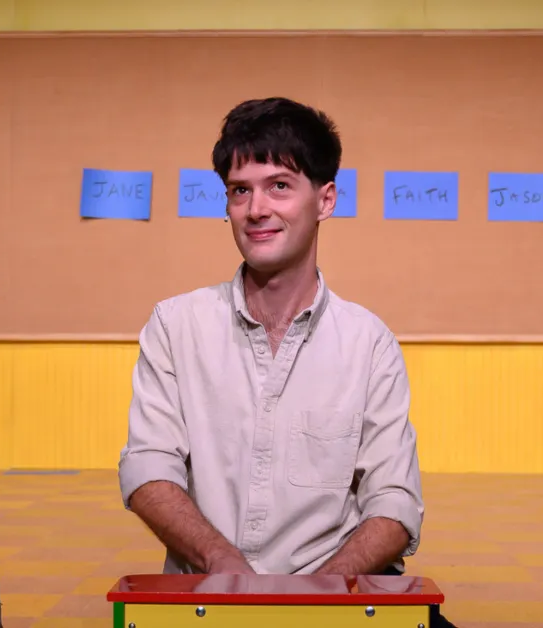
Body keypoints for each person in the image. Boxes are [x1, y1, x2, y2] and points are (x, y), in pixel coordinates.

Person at [118, 97, 456, 627]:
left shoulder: (369, 343)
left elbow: (393, 502)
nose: (256, 209)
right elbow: (148, 470)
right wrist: (223, 563)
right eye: (240, 190)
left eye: (279, 185)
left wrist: (317, 596)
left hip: (338, 606)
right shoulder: (174, 326)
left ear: (325, 201)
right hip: (205, 604)